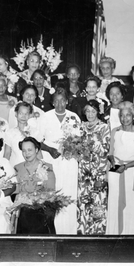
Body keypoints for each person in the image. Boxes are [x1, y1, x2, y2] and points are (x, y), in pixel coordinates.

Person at [40, 88, 80, 234]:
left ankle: (69, 231)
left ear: (67, 101)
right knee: (53, 192)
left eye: (62, 100)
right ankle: (52, 230)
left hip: (69, 161)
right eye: (56, 100)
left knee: (69, 191)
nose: (59, 103)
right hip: (51, 159)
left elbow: (78, 141)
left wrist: (71, 149)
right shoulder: (45, 117)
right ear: (52, 102)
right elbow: (38, 141)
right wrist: (50, 149)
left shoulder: (74, 117)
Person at [106, 102, 134, 235]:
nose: (125, 119)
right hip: (115, 172)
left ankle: (128, 235)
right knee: (114, 203)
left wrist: (126, 166)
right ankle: (112, 234)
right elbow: (111, 152)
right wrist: (112, 160)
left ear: (133, 116)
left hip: (131, 172)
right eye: (122, 116)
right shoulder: (115, 131)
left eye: (128, 115)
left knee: (130, 205)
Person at [77, 100, 110, 235]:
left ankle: (97, 233)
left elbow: (106, 149)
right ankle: (82, 231)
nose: (90, 114)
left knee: (98, 202)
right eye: (88, 111)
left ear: (98, 112)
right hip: (83, 170)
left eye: (93, 111)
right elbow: (75, 146)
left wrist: (92, 146)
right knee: (83, 201)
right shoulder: (80, 126)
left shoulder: (104, 127)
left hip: (98, 169)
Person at [14, 137, 56, 234]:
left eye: (29, 150)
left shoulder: (47, 167)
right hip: (23, 214)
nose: (26, 153)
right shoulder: (17, 168)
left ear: (36, 150)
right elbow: (16, 191)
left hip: (41, 213)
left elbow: (51, 192)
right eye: (23, 151)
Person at [4, 102, 41, 167]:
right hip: (15, 168)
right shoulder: (10, 133)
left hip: (32, 168)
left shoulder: (35, 132)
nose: (23, 116)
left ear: (30, 115)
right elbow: (7, 154)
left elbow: (39, 153)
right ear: (16, 114)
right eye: (21, 113)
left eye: (26, 114)